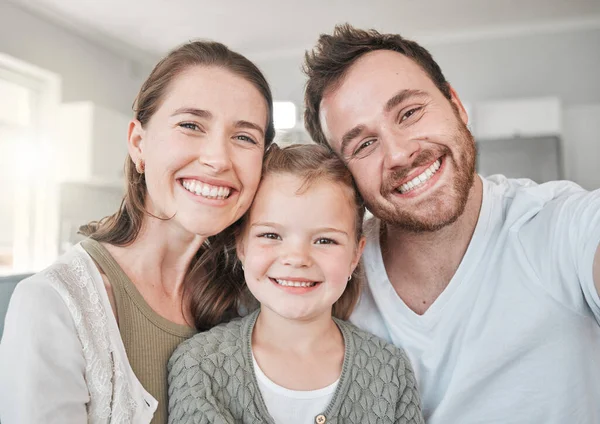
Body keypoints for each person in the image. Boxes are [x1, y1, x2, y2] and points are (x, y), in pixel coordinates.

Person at [302, 24, 600, 423]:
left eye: (409, 113)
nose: (400, 154)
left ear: (456, 105)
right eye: (364, 144)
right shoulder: (335, 275)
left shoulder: (557, 224)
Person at [0, 40, 275, 424]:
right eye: (191, 125)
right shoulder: (52, 304)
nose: (217, 159)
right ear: (139, 143)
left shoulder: (253, 298)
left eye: (244, 137)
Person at [167, 144, 424, 424]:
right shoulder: (200, 365)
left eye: (325, 240)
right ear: (241, 245)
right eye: (271, 235)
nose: (297, 259)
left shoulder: (389, 370)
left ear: (355, 255)